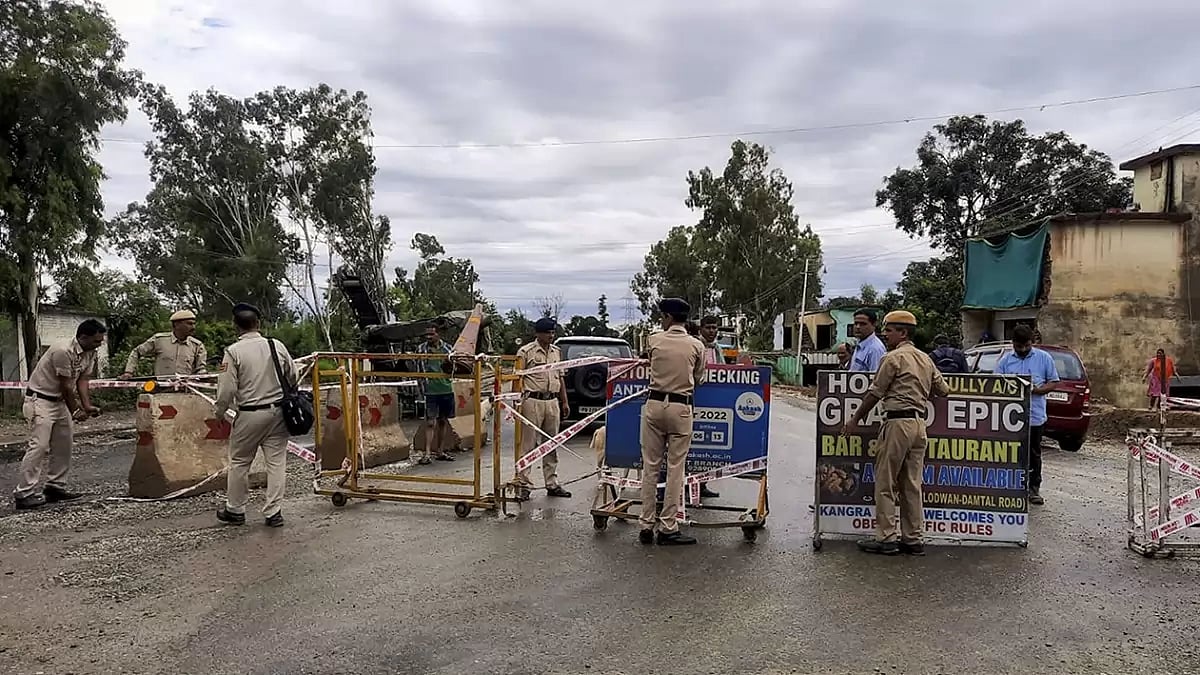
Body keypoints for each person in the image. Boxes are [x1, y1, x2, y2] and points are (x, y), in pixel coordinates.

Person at [841, 310, 948, 556]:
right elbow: (944, 390)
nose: (885, 334)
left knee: (885, 482)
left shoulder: (893, 358)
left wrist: (856, 418)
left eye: (889, 330)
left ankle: (886, 537)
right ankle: (913, 539)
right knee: (911, 485)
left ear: (903, 332)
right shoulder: (925, 359)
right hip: (919, 426)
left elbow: (875, 393)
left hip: (897, 423)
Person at [214, 303, 297, 527]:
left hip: (249, 414)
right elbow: (293, 375)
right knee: (277, 463)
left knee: (240, 462)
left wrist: (219, 412)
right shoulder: (276, 345)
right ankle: (274, 512)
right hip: (278, 412)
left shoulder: (233, 352)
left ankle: (236, 510)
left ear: (235, 326)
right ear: (258, 324)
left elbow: (226, 390)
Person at [12, 320, 106, 510]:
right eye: (97, 341)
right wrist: (76, 410)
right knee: (39, 446)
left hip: (60, 402)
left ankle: (55, 487)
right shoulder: (63, 350)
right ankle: (24, 493)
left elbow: (83, 380)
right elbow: (65, 385)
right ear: (83, 337)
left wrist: (87, 406)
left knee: (64, 444)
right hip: (41, 401)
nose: (100, 344)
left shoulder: (90, 352)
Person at [639, 297, 705, 546]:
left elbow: (647, 363)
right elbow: (699, 378)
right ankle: (668, 526)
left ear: (667, 317)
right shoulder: (696, 345)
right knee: (676, 468)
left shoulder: (653, 340)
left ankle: (645, 524)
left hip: (654, 405)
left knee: (650, 467)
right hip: (681, 408)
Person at [993, 324, 1059, 506]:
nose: (1022, 350)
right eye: (1018, 346)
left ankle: (1033, 489)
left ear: (1032, 342)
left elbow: (1054, 383)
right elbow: (995, 383)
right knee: (1009, 453)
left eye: (1026, 346)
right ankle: (1010, 487)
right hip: (1010, 419)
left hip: (1034, 416)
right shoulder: (1005, 361)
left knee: (1033, 454)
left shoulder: (1044, 358)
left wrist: (1036, 390)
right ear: (1013, 343)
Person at [514, 318, 572, 499]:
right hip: (533, 401)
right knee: (528, 444)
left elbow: (560, 377)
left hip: (552, 401)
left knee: (551, 443)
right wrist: (517, 403)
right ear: (538, 333)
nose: (551, 336)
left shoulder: (556, 352)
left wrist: (564, 401)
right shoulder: (526, 352)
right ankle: (523, 484)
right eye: (548, 333)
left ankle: (552, 483)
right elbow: (518, 379)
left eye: (553, 333)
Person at [119, 309, 207, 379]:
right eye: (189, 324)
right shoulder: (159, 340)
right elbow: (137, 352)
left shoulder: (197, 345)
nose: (193, 327)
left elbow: (201, 369)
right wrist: (128, 372)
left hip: (187, 392)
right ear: (177, 324)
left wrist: (205, 377)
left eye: (194, 324)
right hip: (161, 390)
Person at [414, 325, 456, 465]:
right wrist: (420, 390)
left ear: (438, 334)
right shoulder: (421, 349)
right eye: (427, 335)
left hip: (445, 388)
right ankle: (427, 453)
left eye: (431, 334)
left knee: (443, 420)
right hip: (430, 390)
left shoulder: (449, 349)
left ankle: (440, 450)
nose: (429, 337)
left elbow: (455, 367)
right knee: (430, 421)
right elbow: (418, 370)